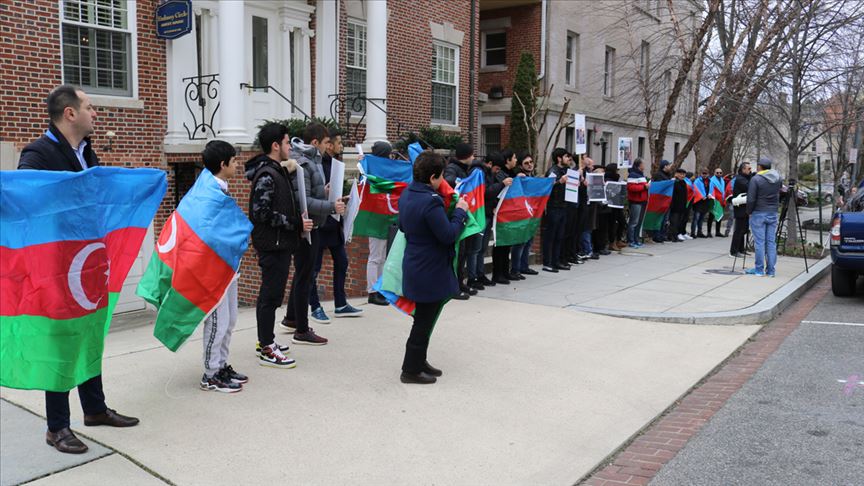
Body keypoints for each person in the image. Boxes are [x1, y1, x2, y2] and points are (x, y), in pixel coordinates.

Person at [18, 85, 139, 454]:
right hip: (56, 267)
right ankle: (57, 427)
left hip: (87, 263)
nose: (95, 113)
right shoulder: (37, 154)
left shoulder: (87, 152)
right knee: (61, 341)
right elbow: (27, 201)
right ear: (69, 113)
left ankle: (95, 409)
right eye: (89, 107)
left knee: (89, 334)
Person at [398, 151, 469, 384]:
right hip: (428, 268)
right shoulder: (430, 201)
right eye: (440, 177)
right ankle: (410, 369)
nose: (443, 182)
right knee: (423, 321)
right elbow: (448, 235)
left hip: (417, 264)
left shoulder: (408, 193)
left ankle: (419, 361)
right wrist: (460, 212)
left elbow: (402, 225)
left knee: (424, 318)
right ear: (432, 178)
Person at [246, 122, 311, 367]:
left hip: (280, 243)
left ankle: (266, 339)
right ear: (275, 146)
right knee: (270, 297)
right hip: (272, 245)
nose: (289, 148)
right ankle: (266, 347)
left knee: (272, 296)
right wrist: (294, 224)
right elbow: (260, 213)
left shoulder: (277, 170)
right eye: (286, 143)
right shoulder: (267, 175)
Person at [281, 123, 344, 345]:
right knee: (305, 276)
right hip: (306, 228)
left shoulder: (312, 160)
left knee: (303, 273)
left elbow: (309, 193)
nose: (329, 147)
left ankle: (291, 319)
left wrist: (324, 192)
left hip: (312, 225)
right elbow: (303, 202)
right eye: (327, 142)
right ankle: (301, 330)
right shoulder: (303, 163)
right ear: (315, 142)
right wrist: (330, 207)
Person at [198, 141, 247, 393]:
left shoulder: (219, 189)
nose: (237, 165)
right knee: (217, 320)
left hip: (228, 266)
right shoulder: (210, 193)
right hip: (215, 269)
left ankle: (221, 365)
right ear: (223, 164)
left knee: (230, 320)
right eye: (234, 161)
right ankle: (210, 374)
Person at [308, 130, 364, 323]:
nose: (341, 146)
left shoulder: (336, 165)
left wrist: (345, 199)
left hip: (334, 221)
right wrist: (324, 193)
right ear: (329, 145)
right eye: (338, 142)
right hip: (320, 222)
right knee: (314, 268)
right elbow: (312, 195)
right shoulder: (317, 166)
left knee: (342, 261)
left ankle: (340, 303)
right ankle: (314, 306)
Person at [444, 143, 479, 299]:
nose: (473, 157)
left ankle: (460, 282)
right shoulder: (452, 168)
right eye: (472, 155)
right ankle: (454, 287)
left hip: (465, 214)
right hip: (456, 215)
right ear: (465, 156)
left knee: (464, 252)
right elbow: (449, 181)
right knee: (458, 253)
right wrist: (461, 181)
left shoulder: (467, 169)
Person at [365, 141, 395, 306]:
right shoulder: (372, 172)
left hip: (384, 217)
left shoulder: (383, 171)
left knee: (382, 256)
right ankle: (372, 291)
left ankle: (380, 289)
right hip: (375, 218)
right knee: (375, 256)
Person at [746, 158, 782, 277]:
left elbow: (751, 198)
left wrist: (749, 211)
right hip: (772, 212)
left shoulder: (756, 179)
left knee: (759, 242)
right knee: (771, 242)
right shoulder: (777, 178)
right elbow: (780, 193)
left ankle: (759, 270)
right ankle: (771, 271)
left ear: (760, 167)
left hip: (759, 212)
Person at [491, 149, 519, 283]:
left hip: (510, 212)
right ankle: (498, 273)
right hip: (501, 212)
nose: (516, 160)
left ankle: (505, 271)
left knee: (507, 243)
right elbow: (499, 191)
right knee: (500, 245)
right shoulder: (500, 175)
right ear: (507, 160)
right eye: (514, 158)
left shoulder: (513, 173)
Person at [511, 152, 540, 275]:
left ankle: (524, 266)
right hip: (521, 214)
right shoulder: (519, 177)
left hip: (532, 213)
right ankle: (515, 269)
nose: (529, 165)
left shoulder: (533, 176)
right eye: (526, 163)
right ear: (521, 166)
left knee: (528, 242)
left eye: (531, 162)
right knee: (520, 243)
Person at [543, 148, 571, 272]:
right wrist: (560, 181)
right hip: (554, 207)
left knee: (559, 236)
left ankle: (556, 261)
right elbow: (547, 185)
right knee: (551, 236)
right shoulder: (553, 171)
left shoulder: (565, 170)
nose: (568, 159)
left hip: (563, 206)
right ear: (559, 158)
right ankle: (547, 262)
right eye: (566, 156)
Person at [729, 162, 753, 257]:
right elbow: (749, 187)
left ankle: (741, 249)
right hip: (740, 208)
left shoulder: (745, 178)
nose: (750, 170)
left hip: (745, 208)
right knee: (739, 230)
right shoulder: (740, 179)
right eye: (749, 169)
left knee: (744, 230)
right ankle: (734, 251)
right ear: (743, 169)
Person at [626, 158, 649, 248]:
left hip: (642, 201)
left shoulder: (640, 175)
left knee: (639, 222)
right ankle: (631, 240)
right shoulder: (633, 175)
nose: (644, 166)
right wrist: (645, 187)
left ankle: (636, 239)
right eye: (643, 164)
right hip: (636, 201)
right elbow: (631, 188)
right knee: (634, 222)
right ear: (639, 165)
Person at [604, 163, 628, 250]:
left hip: (617, 205)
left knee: (622, 222)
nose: (618, 172)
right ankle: (612, 242)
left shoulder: (616, 178)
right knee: (612, 224)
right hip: (610, 205)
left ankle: (618, 239)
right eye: (617, 170)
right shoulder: (608, 179)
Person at [650, 160, 673, 243]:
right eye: (669, 165)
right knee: (659, 218)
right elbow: (659, 187)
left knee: (665, 219)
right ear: (665, 166)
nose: (670, 167)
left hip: (667, 200)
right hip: (660, 201)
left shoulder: (668, 175)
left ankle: (663, 235)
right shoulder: (658, 175)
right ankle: (657, 235)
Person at [667, 168, 689, 242]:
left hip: (682, 206)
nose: (682, 176)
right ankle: (671, 236)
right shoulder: (674, 182)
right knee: (674, 222)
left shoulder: (684, 182)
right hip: (675, 206)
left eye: (683, 174)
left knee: (678, 222)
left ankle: (675, 235)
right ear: (676, 174)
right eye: (681, 174)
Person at [691, 170, 711, 238]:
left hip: (706, 201)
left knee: (701, 218)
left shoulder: (709, 181)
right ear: (701, 174)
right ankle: (693, 233)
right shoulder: (697, 181)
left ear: (708, 174)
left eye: (706, 173)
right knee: (696, 218)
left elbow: (711, 190)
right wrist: (701, 196)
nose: (704, 175)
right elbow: (695, 190)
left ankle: (699, 232)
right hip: (698, 202)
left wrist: (709, 195)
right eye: (703, 173)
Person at [707, 168, 726, 237]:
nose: (719, 174)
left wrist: (724, 199)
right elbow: (711, 190)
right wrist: (711, 197)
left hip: (721, 200)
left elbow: (723, 190)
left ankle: (717, 232)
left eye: (720, 173)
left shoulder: (722, 180)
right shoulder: (712, 180)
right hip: (714, 200)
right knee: (711, 216)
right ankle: (709, 232)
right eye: (717, 172)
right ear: (714, 173)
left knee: (719, 216)